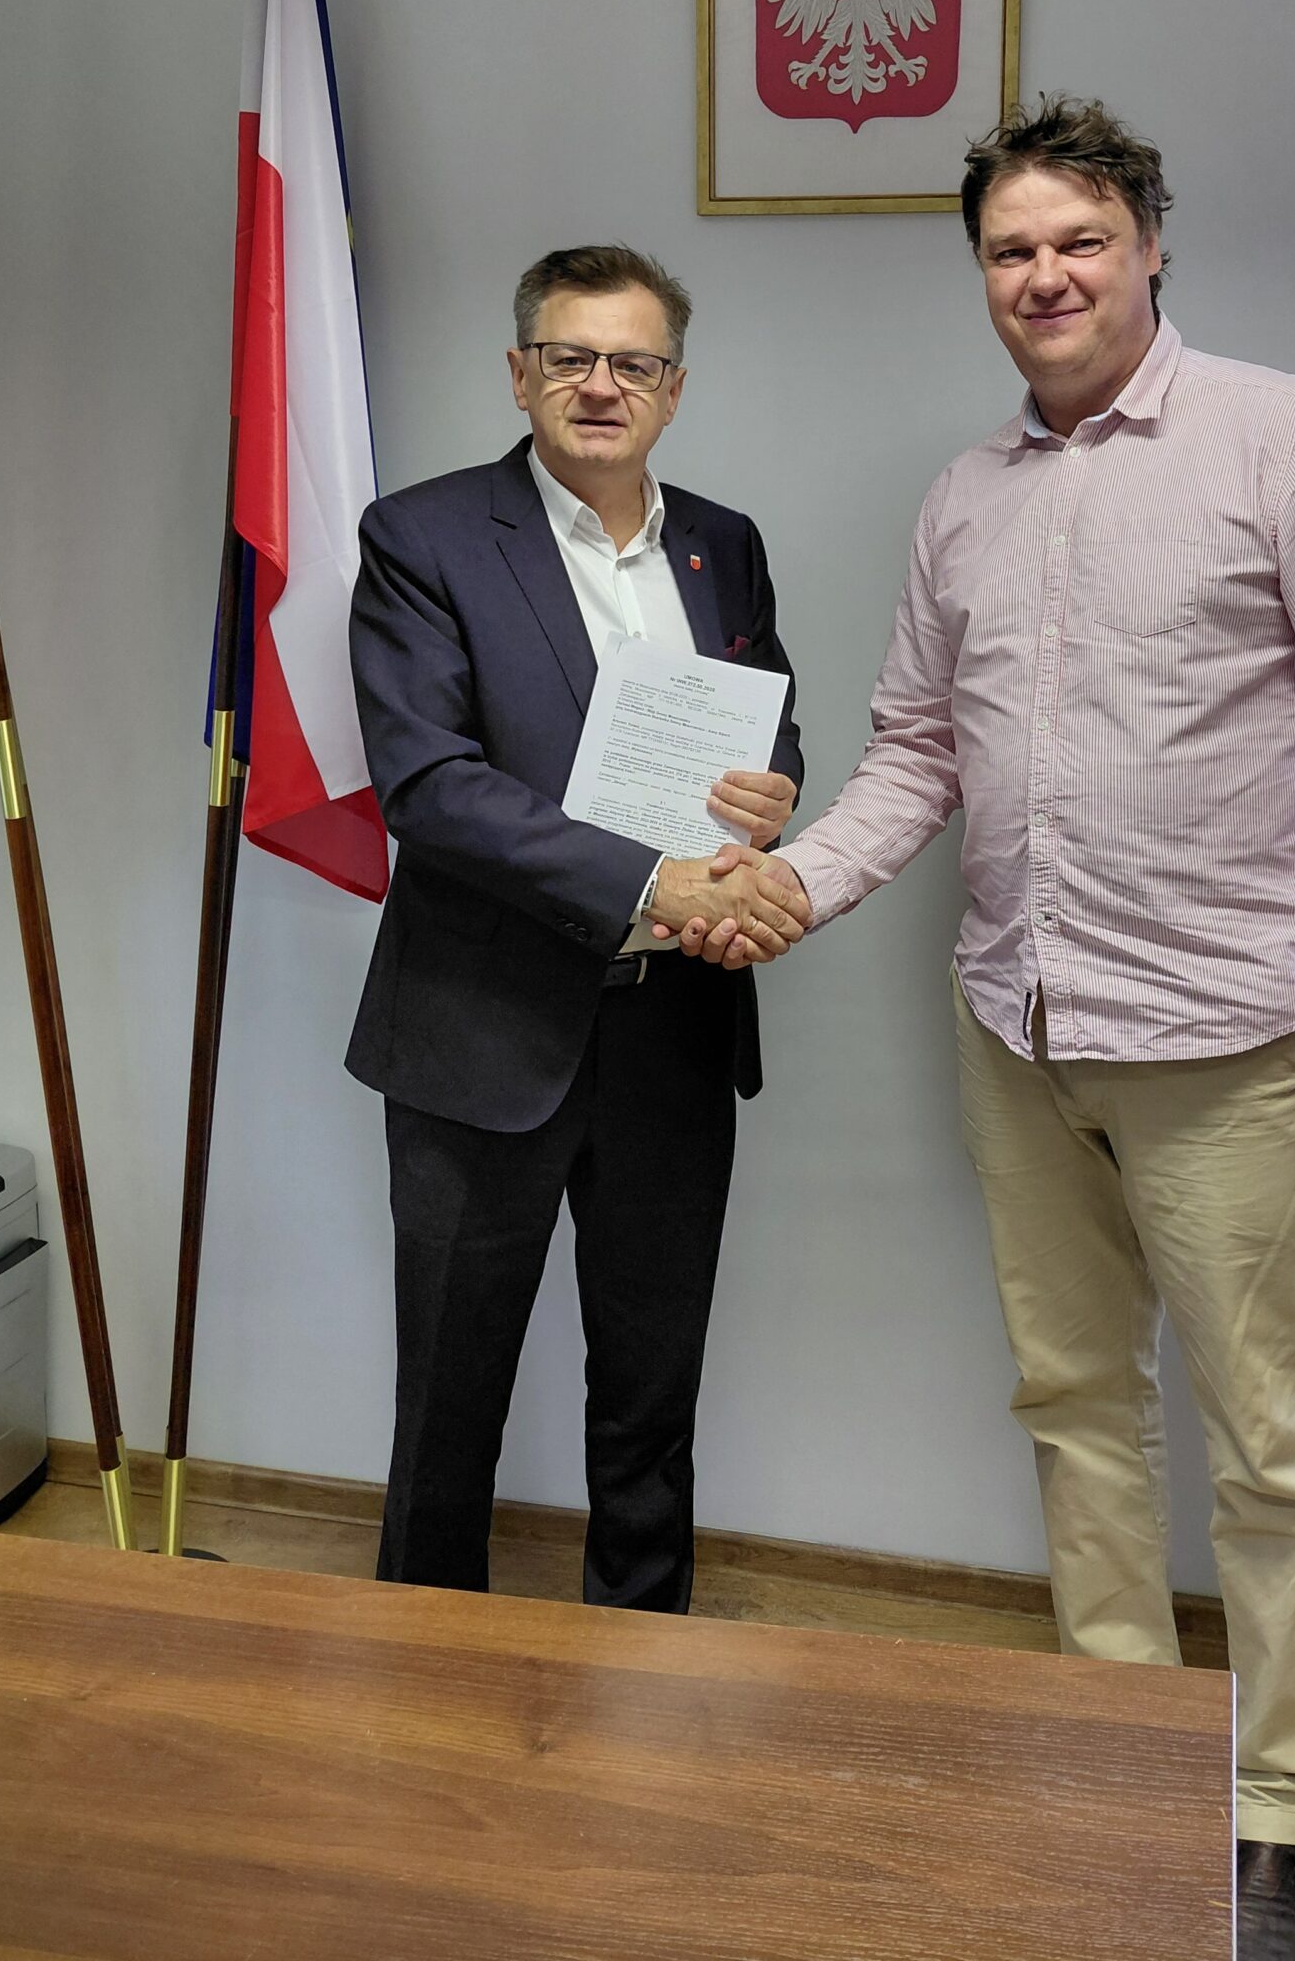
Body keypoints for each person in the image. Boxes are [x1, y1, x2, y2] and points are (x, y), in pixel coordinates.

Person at [678, 100, 1295, 1960]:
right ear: (982, 275)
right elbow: (918, 752)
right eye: (1011, 250)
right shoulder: (968, 498)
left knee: (1270, 1444)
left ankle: (1273, 1804)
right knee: (1073, 1407)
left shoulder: (1291, 443)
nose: (1045, 276)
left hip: (1232, 1043)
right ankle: (1123, 1746)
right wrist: (786, 885)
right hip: (1018, 1030)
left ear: (1149, 249)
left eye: (1079, 241)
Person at [347, 241, 809, 1609]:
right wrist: (650, 884)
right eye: (571, 358)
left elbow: (772, 724)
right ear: (520, 374)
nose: (602, 385)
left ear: (674, 388)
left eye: (634, 363)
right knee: (448, 1404)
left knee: (652, 1400)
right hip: (481, 1036)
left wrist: (774, 795)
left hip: (677, 1031)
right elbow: (430, 786)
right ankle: (427, 1678)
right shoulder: (422, 537)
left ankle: (640, 1665)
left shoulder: (725, 543)